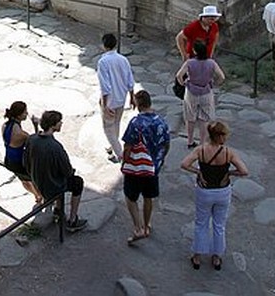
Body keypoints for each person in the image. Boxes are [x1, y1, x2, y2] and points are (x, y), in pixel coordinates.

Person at [180, 120, 249, 271]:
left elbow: (184, 164)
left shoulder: (201, 150)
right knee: (219, 225)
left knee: (201, 223)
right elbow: (244, 171)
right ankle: (217, 257)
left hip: (204, 191)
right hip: (222, 191)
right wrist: (229, 172)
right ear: (221, 136)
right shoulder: (228, 152)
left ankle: (197, 256)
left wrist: (198, 171)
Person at [24, 110, 88, 233]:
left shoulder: (32, 139)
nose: (61, 123)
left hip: (37, 181)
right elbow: (67, 171)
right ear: (53, 125)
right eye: (59, 122)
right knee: (77, 183)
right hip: (52, 186)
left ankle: (58, 210)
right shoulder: (55, 147)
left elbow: (26, 161)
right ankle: (73, 220)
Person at [121, 90, 170, 245]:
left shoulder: (136, 123)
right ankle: (147, 224)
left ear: (138, 104)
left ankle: (138, 227)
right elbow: (166, 144)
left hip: (136, 168)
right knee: (148, 197)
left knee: (131, 197)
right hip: (153, 168)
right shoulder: (161, 121)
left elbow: (128, 145)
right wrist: (160, 159)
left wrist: (124, 161)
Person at [176, 40, 225, 148]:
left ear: (195, 51)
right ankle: (202, 143)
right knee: (203, 119)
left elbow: (179, 75)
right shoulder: (211, 63)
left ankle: (190, 141)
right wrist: (214, 84)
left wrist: (183, 83)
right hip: (206, 92)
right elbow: (222, 77)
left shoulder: (189, 63)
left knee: (190, 117)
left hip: (191, 92)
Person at [97, 33, 135, 163]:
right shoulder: (123, 59)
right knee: (116, 123)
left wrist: (104, 103)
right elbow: (130, 79)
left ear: (104, 46)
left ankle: (120, 153)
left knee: (108, 128)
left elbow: (105, 85)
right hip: (121, 97)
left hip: (110, 100)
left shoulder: (103, 62)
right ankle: (112, 146)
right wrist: (132, 96)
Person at [1, 101, 42, 203]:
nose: (27, 114)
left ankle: (36, 195)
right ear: (19, 115)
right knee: (35, 179)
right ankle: (40, 195)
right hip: (20, 164)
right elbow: (36, 142)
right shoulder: (21, 134)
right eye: (25, 112)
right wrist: (36, 125)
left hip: (9, 160)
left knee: (24, 180)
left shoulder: (5, 126)